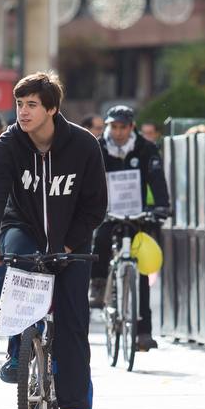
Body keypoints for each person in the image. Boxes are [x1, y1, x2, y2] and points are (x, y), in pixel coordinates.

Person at [0, 72, 108, 409]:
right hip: (24, 229)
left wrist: (69, 245)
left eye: (32, 104)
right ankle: (18, 353)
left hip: (72, 241)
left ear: (51, 108)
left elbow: (96, 206)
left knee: (72, 325)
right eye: (19, 104)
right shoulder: (8, 145)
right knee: (19, 263)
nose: (23, 111)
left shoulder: (83, 145)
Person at [88, 104, 171, 351]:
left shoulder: (146, 148)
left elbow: (157, 180)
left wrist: (162, 207)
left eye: (123, 127)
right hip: (108, 211)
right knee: (101, 238)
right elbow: (88, 180)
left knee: (142, 269)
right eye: (114, 126)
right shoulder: (98, 148)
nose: (118, 132)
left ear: (131, 127)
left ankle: (144, 330)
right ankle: (99, 281)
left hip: (137, 213)